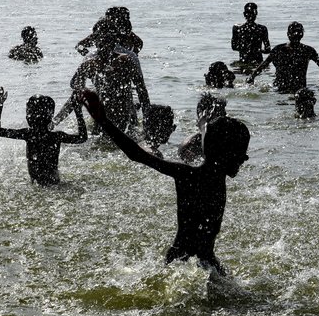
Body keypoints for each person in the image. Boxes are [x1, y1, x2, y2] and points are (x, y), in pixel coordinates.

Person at [81, 89, 249, 276]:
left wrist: (203, 123)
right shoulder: (191, 176)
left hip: (199, 260)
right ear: (224, 155)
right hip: (184, 264)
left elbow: (208, 141)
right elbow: (136, 154)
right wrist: (104, 121)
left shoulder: (194, 172)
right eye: (241, 153)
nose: (245, 158)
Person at [66, 19, 150, 136]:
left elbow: (142, 92)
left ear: (115, 39)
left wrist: (147, 121)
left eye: (109, 38)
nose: (105, 43)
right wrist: (86, 93)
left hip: (125, 113)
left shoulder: (127, 60)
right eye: (101, 38)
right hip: (101, 114)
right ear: (95, 40)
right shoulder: (90, 62)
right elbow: (74, 84)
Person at [0, 86, 88, 186]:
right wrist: (78, 111)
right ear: (50, 115)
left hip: (37, 185)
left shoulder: (28, 134)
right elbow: (82, 137)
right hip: (54, 184)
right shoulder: (56, 136)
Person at [246, 21, 319, 94]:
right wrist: (252, 77)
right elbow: (264, 64)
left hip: (299, 89)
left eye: (298, 32)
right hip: (279, 88)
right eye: (293, 32)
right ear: (288, 34)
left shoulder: (308, 51)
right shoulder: (279, 49)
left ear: (302, 34)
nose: (296, 34)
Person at [178, 93, 227, 163]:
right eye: (220, 113)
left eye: (224, 113)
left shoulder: (222, 139)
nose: (225, 117)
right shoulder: (190, 145)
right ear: (206, 115)